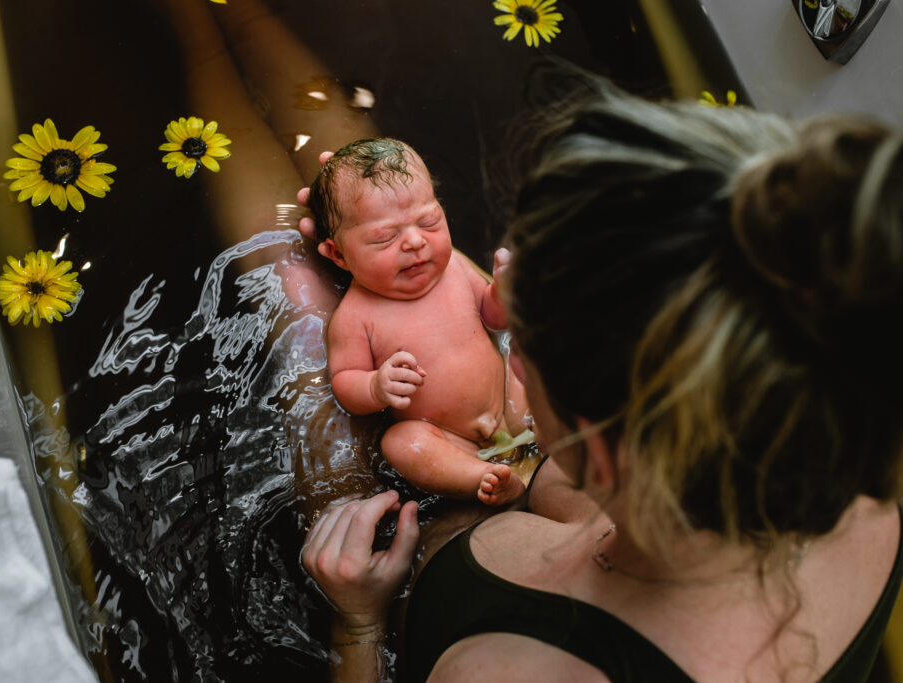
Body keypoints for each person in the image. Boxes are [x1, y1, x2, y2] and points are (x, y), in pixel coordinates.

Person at [301, 79, 903, 682]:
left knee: (290, 281)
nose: (511, 350)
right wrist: (372, 207)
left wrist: (356, 629)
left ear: (599, 451)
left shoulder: (508, 673)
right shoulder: (862, 475)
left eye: (528, 348)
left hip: (438, 528)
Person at [306, 137, 533, 506]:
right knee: (401, 443)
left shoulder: (456, 268)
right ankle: (482, 476)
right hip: (443, 435)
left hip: (508, 397)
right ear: (338, 254)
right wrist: (376, 387)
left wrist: (503, 294)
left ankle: (558, 432)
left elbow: (494, 320)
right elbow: (344, 382)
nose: (414, 241)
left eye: (429, 221)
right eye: (385, 237)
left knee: (529, 360)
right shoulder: (354, 317)